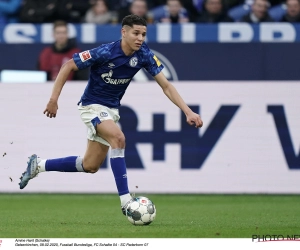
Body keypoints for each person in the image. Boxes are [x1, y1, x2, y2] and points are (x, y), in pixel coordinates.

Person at [18, 14, 203, 215]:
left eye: (143, 34)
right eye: (136, 33)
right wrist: (53, 99)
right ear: (123, 32)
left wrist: (187, 111)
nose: (140, 38)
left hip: (110, 111)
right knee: (118, 138)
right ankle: (126, 202)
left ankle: (39, 165)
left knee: (90, 165)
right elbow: (68, 65)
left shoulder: (144, 55)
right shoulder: (106, 52)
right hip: (91, 106)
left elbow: (166, 85)